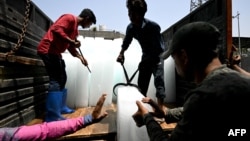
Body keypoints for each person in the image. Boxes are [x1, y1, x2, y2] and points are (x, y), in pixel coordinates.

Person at [133, 21, 250, 141]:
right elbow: (206, 112)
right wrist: (166, 113)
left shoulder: (202, 97)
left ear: (184, 56)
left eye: (174, 58)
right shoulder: (244, 81)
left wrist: (147, 117)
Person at [37, 8, 96, 122]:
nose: (89, 26)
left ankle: (61, 107)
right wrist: (71, 41)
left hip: (56, 53)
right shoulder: (69, 18)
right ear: (87, 18)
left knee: (63, 78)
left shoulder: (75, 31)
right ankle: (52, 115)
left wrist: (81, 58)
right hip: (47, 50)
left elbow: (71, 47)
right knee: (55, 80)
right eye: (90, 24)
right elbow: (56, 29)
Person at [116, 0, 166, 109]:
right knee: (141, 84)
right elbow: (126, 42)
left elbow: (159, 48)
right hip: (145, 56)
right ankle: (142, 109)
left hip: (157, 57)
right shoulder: (131, 28)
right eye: (129, 13)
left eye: (133, 13)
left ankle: (161, 111)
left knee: (159, 82)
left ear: (141, 14)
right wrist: (121, 54)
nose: (130, 16)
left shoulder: (153, 27)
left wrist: (146, 60)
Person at [0, 94, 108, 141]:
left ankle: (57, 111)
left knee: (60, 78)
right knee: (56, 81)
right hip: (49, 53)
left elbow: (43, 131)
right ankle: (53, 114)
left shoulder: (6, 136)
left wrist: (87, 119)